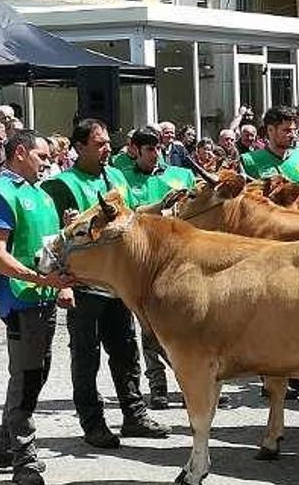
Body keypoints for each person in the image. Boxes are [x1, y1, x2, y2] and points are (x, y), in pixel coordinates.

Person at [41, 119, 170, 449]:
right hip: (83, 285)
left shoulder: (115, 176)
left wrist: (162, 206)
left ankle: (134, 414)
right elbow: (55, 238)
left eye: (107, 142)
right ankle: (93, 422)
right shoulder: (62, 185)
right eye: (99, 144)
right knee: (86, 356)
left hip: (117, 284)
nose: (107, 148)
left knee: (126, 350)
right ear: (79, 147)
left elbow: (129, 220)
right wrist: (62, 286)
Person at [0, 129, 75, 485]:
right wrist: (41, 280)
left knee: (33, 373)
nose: (49, 163)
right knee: (28, 377)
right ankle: (24, 457)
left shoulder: (42, 194)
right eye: (43, 157)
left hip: (44, 296)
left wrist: (61, 285)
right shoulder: (0, 194)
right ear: (21, 153)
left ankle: (5, 445)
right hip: (21, 299)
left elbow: (50, 247)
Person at [112, 127, 196, 409]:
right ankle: (157, 385)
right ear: (135, 150)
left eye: (158, 148)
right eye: (149, 149)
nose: (155, 154)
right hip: (144, 264)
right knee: (149, 329)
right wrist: (159, 206)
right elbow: (127, 216)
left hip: (179, 261)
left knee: (183, 327)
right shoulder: (123, 179)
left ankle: (188, 383)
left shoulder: (180, 175)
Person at [242, 106, 299, 184]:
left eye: (294, 130)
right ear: (270, 130)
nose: (293, 135)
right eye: (287, 130)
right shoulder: (248, 160)